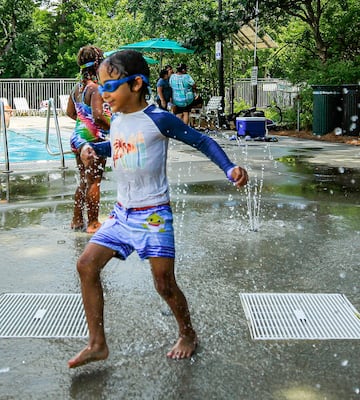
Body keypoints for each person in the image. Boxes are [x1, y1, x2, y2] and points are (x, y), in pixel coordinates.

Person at [67, 50, 248, 368]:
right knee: (86, 266)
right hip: (122, 214)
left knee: (164, 283)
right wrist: (89, 148)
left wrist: (229, 167)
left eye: (111, 86)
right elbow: (116, 145)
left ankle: (188, 334)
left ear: (136, 83)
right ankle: (97, 344)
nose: (104, 94)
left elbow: (203, 141)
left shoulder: (158, 118)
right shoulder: (120, 119)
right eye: (102, 86)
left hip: (153, 215)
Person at [66, 45, 111, 234]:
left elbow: (70, 112)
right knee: (94, 181)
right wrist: (115, 128)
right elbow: (99, 116)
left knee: (84, 180)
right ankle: (93, 223)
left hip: (77, 138)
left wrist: (83, 123)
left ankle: (77, 219)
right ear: (99, 64)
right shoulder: (96, 89)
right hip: (93, 140)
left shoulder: (77, 88)